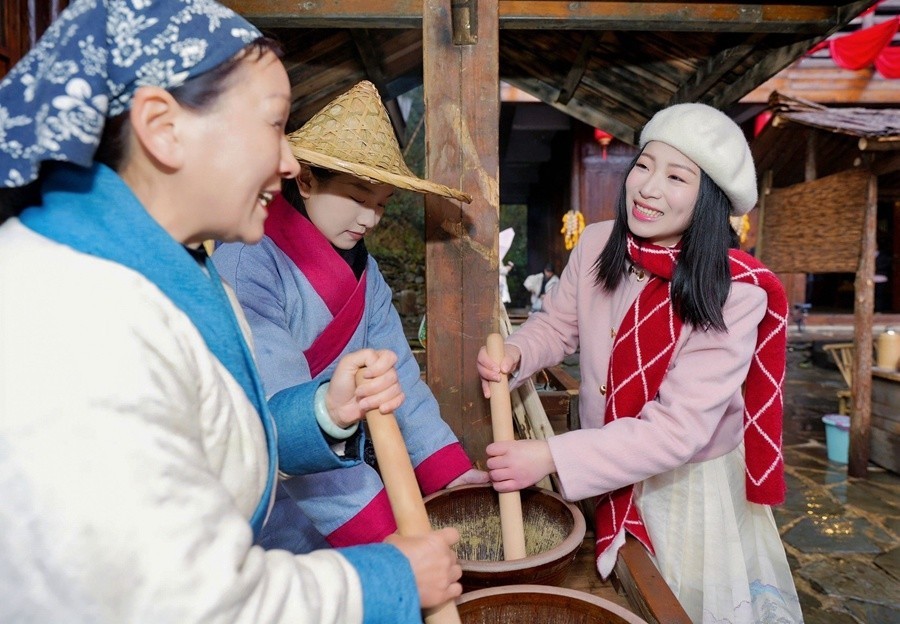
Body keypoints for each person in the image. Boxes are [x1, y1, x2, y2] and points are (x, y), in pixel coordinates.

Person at [0, 2, 462, 622]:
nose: (289, 161)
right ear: (163, 128)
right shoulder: (78, 315)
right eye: (274, 124)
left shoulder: (177, 272)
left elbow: (217, 435)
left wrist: (323, 412)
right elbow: (180, 598)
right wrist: (387, 579)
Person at [477, 103, 803, 623]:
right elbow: (558, 326)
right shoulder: (598, 243)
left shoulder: (733, 291)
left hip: (682, 487)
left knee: (675, 601)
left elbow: (677, 430)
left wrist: (552, 456)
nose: (648, 188)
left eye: (676, 177)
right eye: (644, 165)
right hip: (601, 461)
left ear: (710, 198)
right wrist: (518, 352)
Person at [213, 80, 488, 553]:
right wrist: (384, 536)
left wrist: (451, 474)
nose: (370, 219)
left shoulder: (367, 272)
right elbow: (281, 415)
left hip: (346, 480)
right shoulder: (245, 261)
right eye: (359, 198)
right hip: (272, 494)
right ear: (305, 181)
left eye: (381, 204)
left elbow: (398, 375)